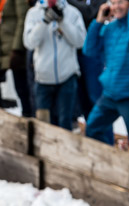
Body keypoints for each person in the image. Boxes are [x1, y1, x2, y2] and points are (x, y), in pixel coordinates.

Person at [83, 0, 129, 155]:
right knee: (92, 129)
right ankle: (109, 163)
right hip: (109, 94)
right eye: (113, 2)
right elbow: (89, 50)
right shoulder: (109, 28)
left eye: (121, 2)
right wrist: (98, 22)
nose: (117, 6)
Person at [23, 0, 86, 130]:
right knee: (43, 122)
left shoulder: (72, 13)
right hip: (43, 78)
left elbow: (80, 41)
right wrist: (45, 22)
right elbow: (29, 42)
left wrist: (63, 22)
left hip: (67, 76)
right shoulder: (33, 13)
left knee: (64, 121)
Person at [0, 0, 34, 117]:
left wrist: (17, 49)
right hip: (0, 48)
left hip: (15, 48)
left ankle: (28, 119)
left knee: (22, 89)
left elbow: (23, 19)